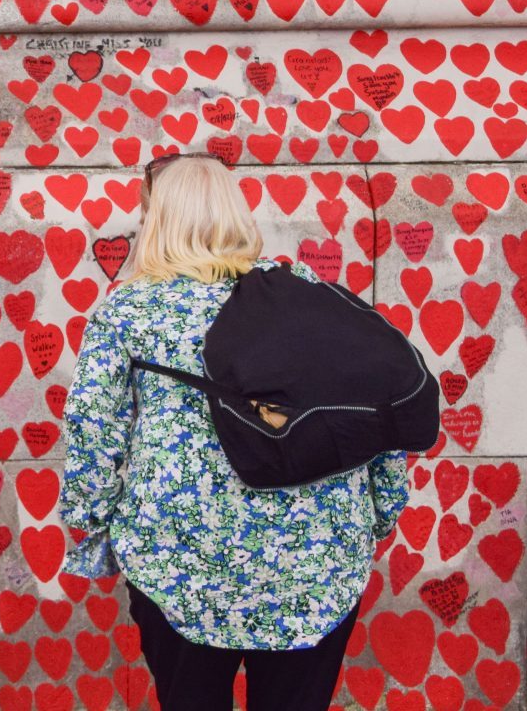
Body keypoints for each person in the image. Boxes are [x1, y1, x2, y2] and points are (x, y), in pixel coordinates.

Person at [59, 152, 411, 710]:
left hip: (178, 561)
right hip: (315, 563)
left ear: (159, 220)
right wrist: (383, 509)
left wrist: (90, 524)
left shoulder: (129, 311)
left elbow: (92, 431)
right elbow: (375, 411)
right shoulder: (311, 298)